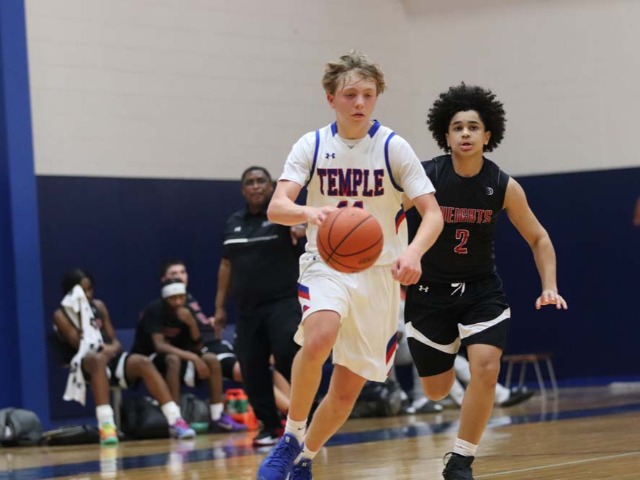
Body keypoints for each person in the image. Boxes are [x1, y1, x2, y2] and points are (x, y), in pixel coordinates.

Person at [257, 50, 444, 480]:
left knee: (346, 389)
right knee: (319, 336)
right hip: (327, 262)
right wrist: (310, 213)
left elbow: (433, 214)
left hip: (380, 274)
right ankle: (291, 438)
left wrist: (413, 252)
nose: (360, 102)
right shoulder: (312, 144)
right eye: (350, 94)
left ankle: (305, 459)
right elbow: (277, 207)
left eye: (368, 94)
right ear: (331, 99)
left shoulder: (393, 147)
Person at [403, 83, 568, 480]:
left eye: (473, 127)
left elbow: (539, 238)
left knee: (487, 366)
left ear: (487, 134)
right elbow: (385, 218)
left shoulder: (503, 185)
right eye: (457, 127)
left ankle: (460, 460)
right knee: (436, 391)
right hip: (428, 294)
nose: (465, 133)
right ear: (445, 135)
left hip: (481, 290)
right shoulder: (424, 177)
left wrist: (549, 286)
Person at [213, 166, 304, 447]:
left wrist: (300, 228)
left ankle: (306, 417)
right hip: (247, 310)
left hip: (283, 303)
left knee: (289, 356)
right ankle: (269, 425)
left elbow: (304, 233)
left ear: (271, 186)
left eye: (260, 181)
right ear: (243, 190)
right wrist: (219, 307)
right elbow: (226, 265)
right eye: (250, 182)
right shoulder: (233, 222)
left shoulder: (283, 216)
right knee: (251, 367)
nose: (255, 186)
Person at [52, 269, 196, 445]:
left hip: (109, 355)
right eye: (84, 291)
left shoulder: (99, 306)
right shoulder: (61, 314)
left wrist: (110, 349)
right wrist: (82, 313)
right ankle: (106, 425)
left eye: (90, 289)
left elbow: (116, 342)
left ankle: (175, 419)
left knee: (143, 362)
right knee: (97, 360)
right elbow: (78, 344)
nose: (88, 294)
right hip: (85, 362)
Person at [160, 259, 293, 428]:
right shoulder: (169, 305)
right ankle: (291, 414)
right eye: (174, 273)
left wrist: (208, 323)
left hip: (219, 343)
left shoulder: (189, 297)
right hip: (206, 350)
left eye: (182, 272)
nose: (180, 276)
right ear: (164, 280)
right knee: (245, 371)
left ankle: (294, 413)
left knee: (274, 362)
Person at [131, 278, 245, 433]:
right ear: (165, 299)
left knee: (211, 359)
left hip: (180, 355)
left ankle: (217, 416)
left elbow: (197, 345)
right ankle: (176, 419)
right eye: (173, 298)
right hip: (150, 358)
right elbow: (160, 345)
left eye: (181, 297)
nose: (178, 302)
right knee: (173, 360)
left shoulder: (187, 311)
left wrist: (191, 323)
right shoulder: (155, 310)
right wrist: (193, 358)